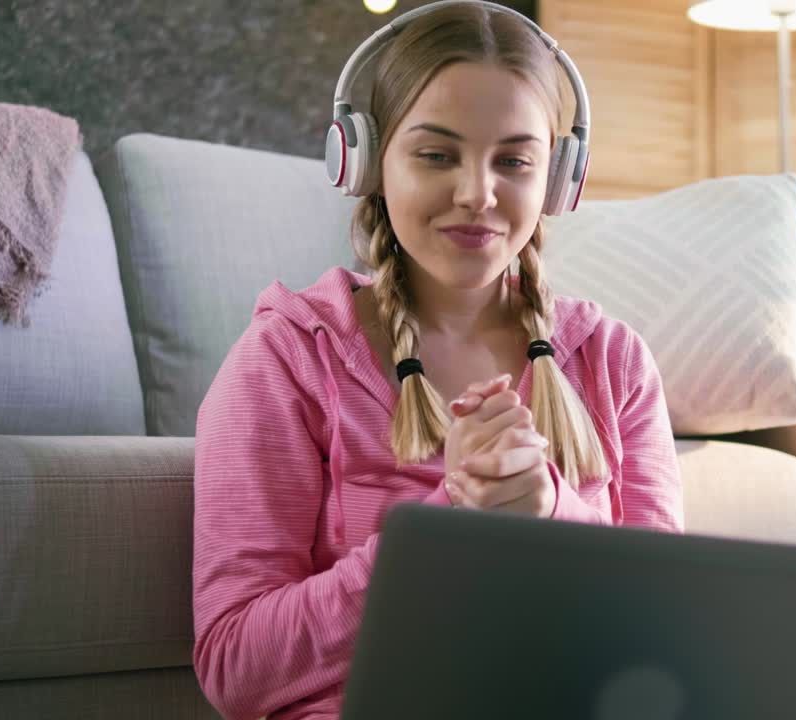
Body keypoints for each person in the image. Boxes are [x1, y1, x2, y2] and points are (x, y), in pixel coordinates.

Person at [191, 2, 683, 719]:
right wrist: (440, 530)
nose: (477, 194)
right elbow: (237, 668)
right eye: (436, 154)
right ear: (366, 162)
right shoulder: (289, 359)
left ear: (557, 178)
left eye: (513, 160)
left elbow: (666, 637)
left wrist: (549, 511)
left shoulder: (614, 362)